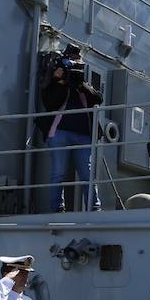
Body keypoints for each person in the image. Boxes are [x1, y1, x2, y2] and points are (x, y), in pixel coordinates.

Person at [40, 43, 102, 212]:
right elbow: (50, 103)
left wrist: (80, 84)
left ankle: (94, 207)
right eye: (71, 61)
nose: (73, 65)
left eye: (77, 62)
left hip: (83, 134)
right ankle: (57, 208)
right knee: (58, 172)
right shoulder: (53, 81)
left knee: (87, 173)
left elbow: (98, 99)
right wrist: (59, 81)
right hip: (60, 132)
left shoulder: (83, 83)